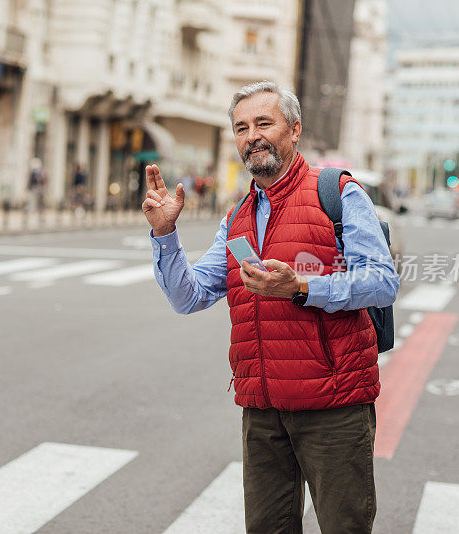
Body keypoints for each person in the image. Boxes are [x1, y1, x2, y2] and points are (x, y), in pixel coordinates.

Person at [142, 81, 399, 534]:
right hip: (261, 407)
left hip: (333, 404)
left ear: (294, 129)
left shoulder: (336, 193)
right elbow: (190, 296)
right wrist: (165, 235)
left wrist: (301, 286)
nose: (252, 135)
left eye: (264, 122)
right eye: (241, 127)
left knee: (345, 527)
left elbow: (381, 281)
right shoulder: (237, 216)